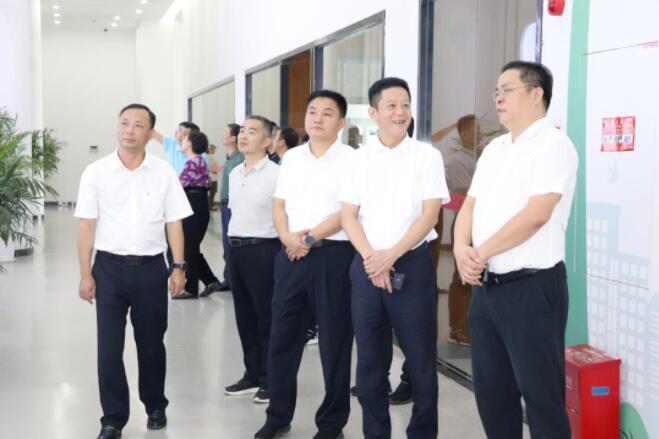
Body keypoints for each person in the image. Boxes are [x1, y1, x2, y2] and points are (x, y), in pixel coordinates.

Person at [453, 61, 577, 439]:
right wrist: (460, 247)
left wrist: (481, 251)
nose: (498, 98)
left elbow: (537, 214)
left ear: (536, 93)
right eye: (497, 91)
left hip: (532, 288)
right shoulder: (495, 148)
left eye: (507, 90)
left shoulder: (554, 144)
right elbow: (470, 204)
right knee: (493, 394)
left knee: (541, 397)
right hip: (487, 289)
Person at [340, 77, 449, 439]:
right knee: (370, 362)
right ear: (373, 113)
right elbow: (348, 216)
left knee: (420, 363)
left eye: (405, 105)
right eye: (391, 106)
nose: (400, 112)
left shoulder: (426, 156)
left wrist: (390, 256)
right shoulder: (357, 159)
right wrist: (373, 259)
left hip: (411, 267)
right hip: (366, 267)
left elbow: (430, 215)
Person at [75, 103, 192, 439]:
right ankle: (113, 418)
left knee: (151, 343)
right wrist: (85, 274)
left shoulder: (163, 172)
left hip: (151, 270)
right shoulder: (96, 172)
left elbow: (175, 223)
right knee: (109, 348)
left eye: (138, 125)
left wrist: (179, 267)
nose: (129, 130)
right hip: (108, 269)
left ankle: (155, 404)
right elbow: (86, 226)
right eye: (124, 123)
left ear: (149, 132)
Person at [255, 90, 356, 439]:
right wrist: (287, 238)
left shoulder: (354, 160)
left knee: (335, 343)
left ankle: (332, 424)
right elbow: (279, 205)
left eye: (327, 113)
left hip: (334, 256)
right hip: (291, 257)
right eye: (313, 111)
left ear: (341, 122)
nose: (317, 118)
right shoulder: (293, 158)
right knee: (282, 338)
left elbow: (348, 212)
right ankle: (278, 415)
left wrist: (308, 239)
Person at [223, 116, 280, 405]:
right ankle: (252, 373)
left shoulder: (276, 174)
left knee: (265, 317)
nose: (243, 135)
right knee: (244, 316)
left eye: (252, 131)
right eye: (242, 130)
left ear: (268, 141)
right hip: (237, 250)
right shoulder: (235, 173)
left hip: (264, 250)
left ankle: (271, 379)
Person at [174, 131, 221, 299]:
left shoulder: (193, 162)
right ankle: (210, 281)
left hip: (194, 204)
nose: (181, 140)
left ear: (190, 143)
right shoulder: (198, 160)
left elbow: (178, 185)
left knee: (189, 248)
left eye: (184, 138)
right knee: (191, 247)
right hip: (197, 203)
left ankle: (192, 288)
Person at [201, 123, 242, 296]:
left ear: (233, 138)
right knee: (226, 243)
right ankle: (229, 279)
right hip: (226, 205)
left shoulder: (240, 158)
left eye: (225, 133)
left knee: (231, 243)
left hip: (232, 205)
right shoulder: (230, 157)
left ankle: (233, 279)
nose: (222, 135)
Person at [208, 143, 220, 210]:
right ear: (211, 149)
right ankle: (211, 207)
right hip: (212, 179)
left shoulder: (210, 158)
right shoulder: (210, 158)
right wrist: (219, 168)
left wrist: (218, 168)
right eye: (214, 149)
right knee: (212, 193)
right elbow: (214, 170)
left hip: (212, 178)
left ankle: (211, 206)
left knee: (212, 193)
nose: (215, 151)